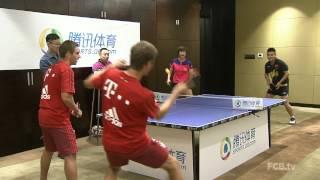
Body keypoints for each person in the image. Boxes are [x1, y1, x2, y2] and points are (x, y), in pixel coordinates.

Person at [84, 41, 190, 180]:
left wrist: (111, 66)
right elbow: (158, 114)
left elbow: (88, 83)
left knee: (113, 169)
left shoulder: (110, 74)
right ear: (147, 65)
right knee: (173, 165)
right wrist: (175, 93)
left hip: (110, 141)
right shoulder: (144, 94)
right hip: (135, 144)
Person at [38, 40, 82, 180]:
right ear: (68, 54)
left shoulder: (52, 68)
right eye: (77, 53)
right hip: (57, 118)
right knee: (70, 154)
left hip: (44, 115)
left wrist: (71, 109)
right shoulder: (66, 69)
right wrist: (76, 110)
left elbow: (55, 94)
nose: (79, 56)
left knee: (49, 149)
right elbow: (66, 97)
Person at [264, 47, 296, 125]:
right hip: (274, 86)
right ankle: (264, 118)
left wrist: (279, 82)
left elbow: (287, 73)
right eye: (268, 55)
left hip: (283, 85)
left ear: (275, 55)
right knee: (265, 101)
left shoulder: (281, 63)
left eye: (271, 55)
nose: (270, 56)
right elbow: (266, 74)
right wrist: (269, 83)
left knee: (285, 102)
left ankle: (292, 117)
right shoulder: (267, 65)